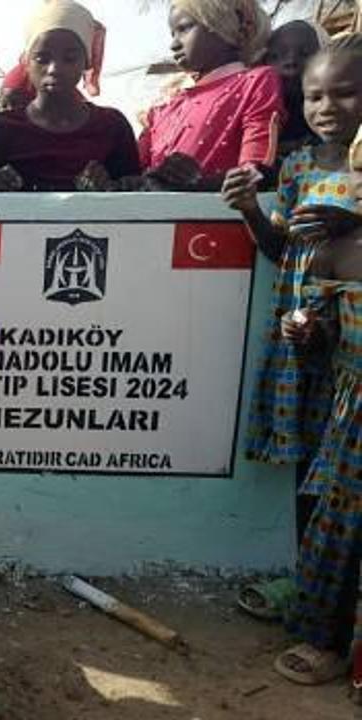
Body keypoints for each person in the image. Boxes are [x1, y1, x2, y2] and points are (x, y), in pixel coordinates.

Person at [223, 34, 362, 623]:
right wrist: (251, 209)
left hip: (351, 351)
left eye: (345, 93)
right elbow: (282, 251)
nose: (326, 107)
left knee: (345, 471)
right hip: (301, 339)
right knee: (310, 471)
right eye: (313, 97)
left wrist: (351, 223)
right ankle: (307, 580)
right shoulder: (300, 165)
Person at [274, 134, 362, 689]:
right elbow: (322, 334)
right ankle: (327, 640)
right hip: (352, 414)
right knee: (337, 527)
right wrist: (304, 331)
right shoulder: (339, 248)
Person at [0, 0, 140, 193]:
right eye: (42, 59)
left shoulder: (112, 127)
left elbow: (138, 207)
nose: (55, 69)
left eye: (70, 58)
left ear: (86, 62)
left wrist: (110, 188)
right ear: (27, 63)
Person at [137, 0, 283, 191]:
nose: (173, 44)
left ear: (221, 24)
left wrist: (194, 186)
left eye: (184, 28)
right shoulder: (164, 105)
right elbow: (139, 176)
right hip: (157, 218)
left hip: (221, 218)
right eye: (172, 33)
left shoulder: (255, 81)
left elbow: (256, 171)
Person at [265, 20, 326, 163]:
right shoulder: (259, 110)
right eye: (275, 56)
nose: (291, 61)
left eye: (304, 54)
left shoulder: (331, 109)